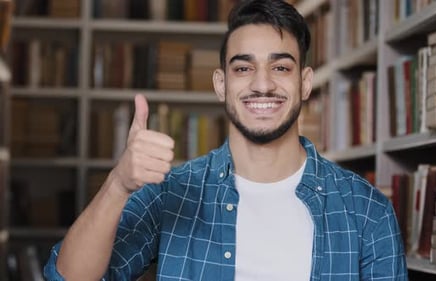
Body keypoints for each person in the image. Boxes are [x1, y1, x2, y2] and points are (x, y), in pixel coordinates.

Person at [44, 0, 408, 280]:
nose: (262, 84)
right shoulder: (174, 192)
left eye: (280, 67)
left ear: (306, 83)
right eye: (243, 68)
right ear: (221, 84)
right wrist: (118, 185)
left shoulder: (366, 211)